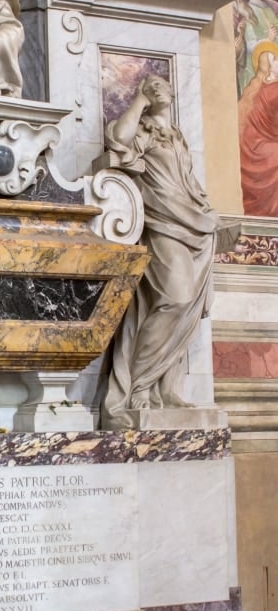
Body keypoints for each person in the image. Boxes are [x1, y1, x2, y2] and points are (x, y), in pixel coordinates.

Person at [101, 75, 219, 429]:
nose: (161, 86)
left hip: (195, 225)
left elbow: (188, 181)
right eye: (152, 84)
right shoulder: (144, 131)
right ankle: (139, 384)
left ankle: (166, 390)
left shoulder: (178, 136)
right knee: (176, 298)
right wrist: (138, 101)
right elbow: (118, 140)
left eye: (164, 83)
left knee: (188, 310)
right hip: (163, 224)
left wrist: (207, 209)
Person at [239, 43, 278, 216]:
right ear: (267, 66)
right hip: (258, 145)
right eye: (274, 59)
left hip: (257, 144)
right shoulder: (268, 89)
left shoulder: (256, 87)